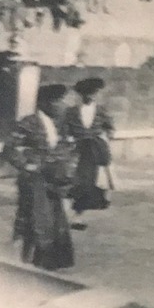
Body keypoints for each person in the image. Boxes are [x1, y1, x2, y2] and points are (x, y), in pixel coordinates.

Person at [3, 83, 77, 271]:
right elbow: (10, 148)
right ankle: (27, 261)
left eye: (61, 101)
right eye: (57, 101)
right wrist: (26, 165)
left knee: (55, 218)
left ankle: (49, 262)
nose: (61, 105)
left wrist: (65, 166)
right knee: (37, 217)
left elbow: (69, 146)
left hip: (56, 178)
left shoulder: (61, 124)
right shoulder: (28, 122)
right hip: (34, 178)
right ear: (44, 103)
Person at [63, 76, 115, 225]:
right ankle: (67, 214)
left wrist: (105, 138)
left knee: (89, 183)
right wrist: (69, 139)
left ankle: (78, 216)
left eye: (94, 93)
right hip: (76, 150)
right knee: (71, 181)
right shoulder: (71, 111)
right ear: (81, 94)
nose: (91, 96)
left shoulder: (101, 110)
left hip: (95, 150)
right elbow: (65, 130)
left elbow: (110, 128)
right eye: (87, 93)